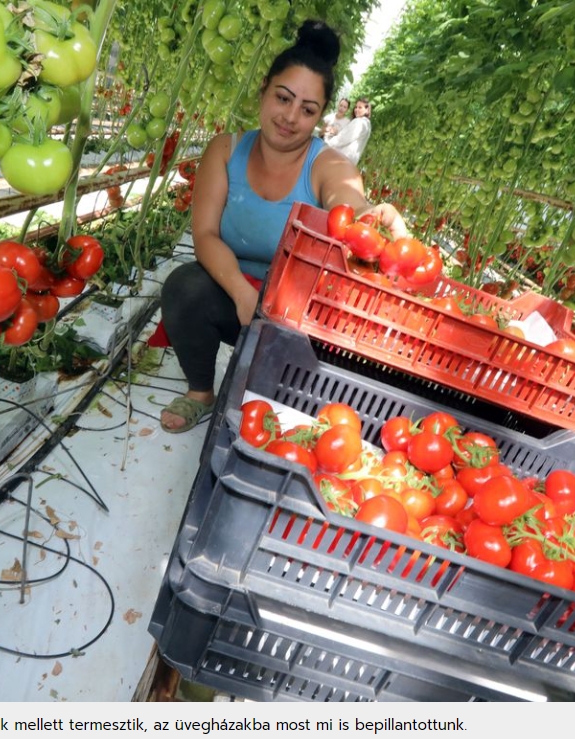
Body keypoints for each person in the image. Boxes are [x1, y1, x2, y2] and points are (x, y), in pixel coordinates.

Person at [157, 21, 408, 433]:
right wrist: (241, 293)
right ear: (264, 90)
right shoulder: (226, 150)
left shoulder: (327, 165)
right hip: (232, 292)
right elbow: (204, 236)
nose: (290, 117)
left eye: (307, 110)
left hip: (299, 312)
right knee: (185, 287)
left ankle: (282, 395)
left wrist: (370, 217)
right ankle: (201, 391)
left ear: (320, 117)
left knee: (287, 403)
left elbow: (349, 205)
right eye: (283, 98)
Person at [325, 97, 371, 165]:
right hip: (348, 163)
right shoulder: (367, 124)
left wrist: (326, 144)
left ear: (367, 110)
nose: (356, 110)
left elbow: (342, 139)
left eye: (360, 107)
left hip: (340, 160)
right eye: (356, 107)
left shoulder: (359, 122)